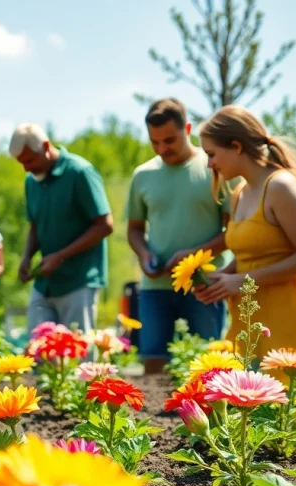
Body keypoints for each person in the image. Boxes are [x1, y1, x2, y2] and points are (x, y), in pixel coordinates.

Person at [193, 105, 296, 355]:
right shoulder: (239, 192)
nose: (209, 164)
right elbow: (249, 257)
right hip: (252, 317)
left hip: (291, 315)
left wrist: (242, 281)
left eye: (211, 154)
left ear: (236, 147)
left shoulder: (281, 186)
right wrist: (221, 279)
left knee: (288, 392)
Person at [127, 98, 229, 373]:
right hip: (155, 288)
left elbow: (233, 232)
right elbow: (134, 229)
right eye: (155, 142)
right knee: (153, 364)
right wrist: (144, 254)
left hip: (205, 285)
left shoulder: (216, 169)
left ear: (187, 128)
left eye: (169, 140)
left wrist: (194, 257)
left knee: (209, 365)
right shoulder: (142, 175)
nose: (162, 149)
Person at [11, 123, 114, 332]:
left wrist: (60, 256)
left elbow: (104, 226)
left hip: (79, 281)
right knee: (37, 352)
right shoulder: (31, 181)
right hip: (45, 285)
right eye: (21, 163)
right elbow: (35, 225)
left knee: (77, 354)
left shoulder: (79, 172)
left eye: (30, 160)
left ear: (46, 146)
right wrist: (27, 257)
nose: (26, 168)